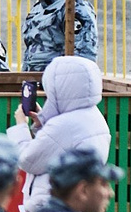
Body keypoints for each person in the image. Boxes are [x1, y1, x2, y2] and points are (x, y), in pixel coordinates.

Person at [13, 54, 111, 184]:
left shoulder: (64, 125)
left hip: (51, 198)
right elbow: (60, 145)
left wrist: (21, 126)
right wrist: (44, 125)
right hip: (79, 195)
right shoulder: (93, 116)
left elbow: (27, 160)